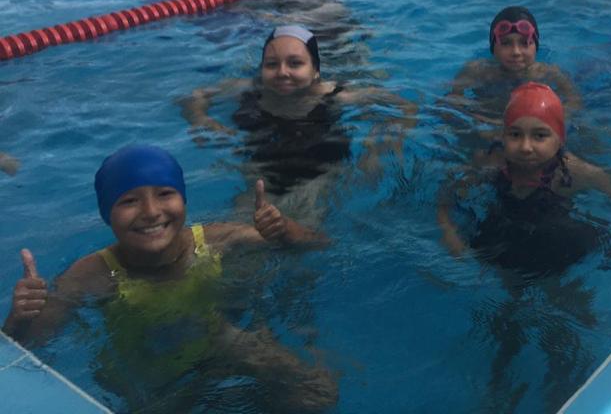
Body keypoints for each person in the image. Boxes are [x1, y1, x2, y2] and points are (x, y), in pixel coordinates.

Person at [3, 145, 337, 412]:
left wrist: (284, 230)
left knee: (316, 395)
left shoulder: (217, 240)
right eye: (129, 201)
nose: (151, 212)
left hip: (219, 341)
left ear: (183, 200)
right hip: (149, 377)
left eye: (165, 193)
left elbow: (319, 244)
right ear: (107, 214)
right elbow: (22, 353)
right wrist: (19, 318)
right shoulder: (91, 275)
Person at [437, 82, 611, 274]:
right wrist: (450, 233)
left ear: (559, 139)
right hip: (504, 230)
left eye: (540, 136)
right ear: (503, 136)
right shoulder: (491, 162)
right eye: (515, 134)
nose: (525, 146)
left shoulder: (580, 173)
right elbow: (446, 196)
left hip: (559, 236)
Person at [180, 25, 416, 220]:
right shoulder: (247, 89)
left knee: (300, 236)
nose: (282, 72)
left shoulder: (336, 95)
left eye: (295, 63)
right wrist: (201, 120)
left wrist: (376, 147)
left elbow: (405, 106)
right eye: (271, 64)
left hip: (319, 176)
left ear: (315, 70)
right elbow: (194, 96)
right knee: (240, 232)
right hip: (261, 174)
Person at [443, 7, 581, 141]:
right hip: (487, 126)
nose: (516, 52)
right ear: (493, 48)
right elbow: (453, 99)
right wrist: (475, 121)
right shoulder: (477, 71)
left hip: (530, 133)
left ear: (536, 47)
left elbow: (574, 101)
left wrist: (548, 120)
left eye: (525, 43)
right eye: (506, 43)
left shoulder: (548, 74)